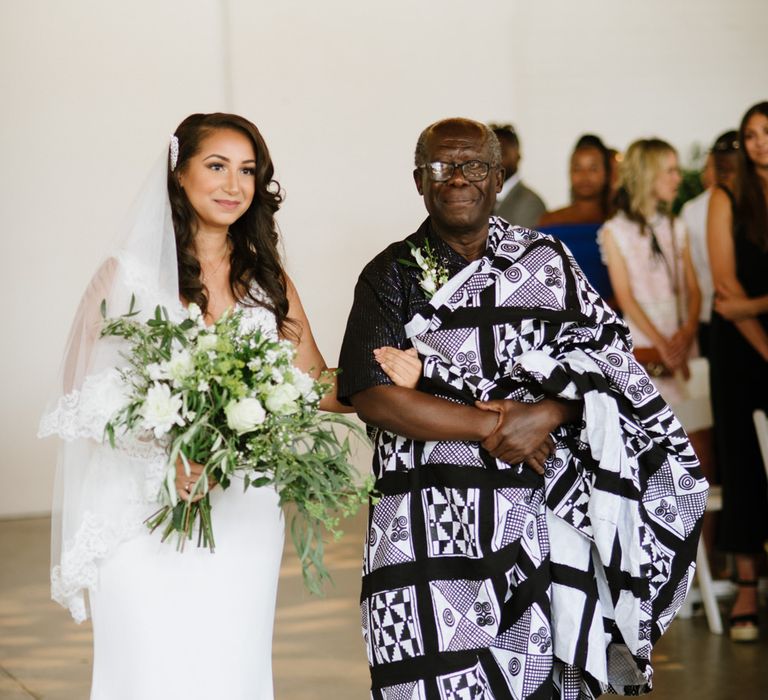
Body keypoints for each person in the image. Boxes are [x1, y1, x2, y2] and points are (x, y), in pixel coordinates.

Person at [38, 112, 417, 699]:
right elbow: (82, 400)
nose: (234, 185)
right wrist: (170, 456)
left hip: (243, 511)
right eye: (217, 166)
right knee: (147, 668)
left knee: (228, 667)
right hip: (142, 513)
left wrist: (387, 375)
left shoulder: (268, 281)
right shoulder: (124, 277)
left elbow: (314, 381)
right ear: (179, 171)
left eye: (248, 171)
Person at [338, 117, 706, 699]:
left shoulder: (547, 261)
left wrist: (550, 414)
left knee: (541, 673)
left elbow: (611, 364)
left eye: (475, 165)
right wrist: (499, 423)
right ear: (419, 181)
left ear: (499, 177)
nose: (458, 178)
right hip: (427, 521)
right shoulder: (391, 274)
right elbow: (373, 395)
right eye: (441, 166)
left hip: (538, 515)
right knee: (427, 673)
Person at [707, 101, 768, 643]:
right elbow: (726, 295)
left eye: (767, 133)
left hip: (756, 330)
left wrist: (756, 304)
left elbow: (743, 300)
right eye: (751, 135)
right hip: (740, 352)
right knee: (743, 463)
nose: (758, 143)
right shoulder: (726, 198)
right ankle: (747, 589)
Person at [598, 138, 701, 407]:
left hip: (680, 335)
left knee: (696, 423)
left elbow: (693, 288)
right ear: (648, 175)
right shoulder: (615, 231)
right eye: (670, 171)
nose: (677, 178)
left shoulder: (676, 226)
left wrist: (687, 332)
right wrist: (662, 345)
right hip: (645, 337)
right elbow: (625, 298)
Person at [680, 131, 739, 357]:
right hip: (712, 310)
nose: (707, 173)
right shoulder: (692, 209)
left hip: (711, 310)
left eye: (710, 167)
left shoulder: (692, 209)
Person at [537, 134, 614, 301]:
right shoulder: (549, 221)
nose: (585, 176)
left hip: (613, 315)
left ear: (606, 174)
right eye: (577, 169)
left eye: (593, 169)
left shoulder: (617, 221)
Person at [491, 123, 546, 229]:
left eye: (503, 153)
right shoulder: (477, 198)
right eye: (491, 154)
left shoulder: (531, 203)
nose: (496, 160)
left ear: (518, 156)